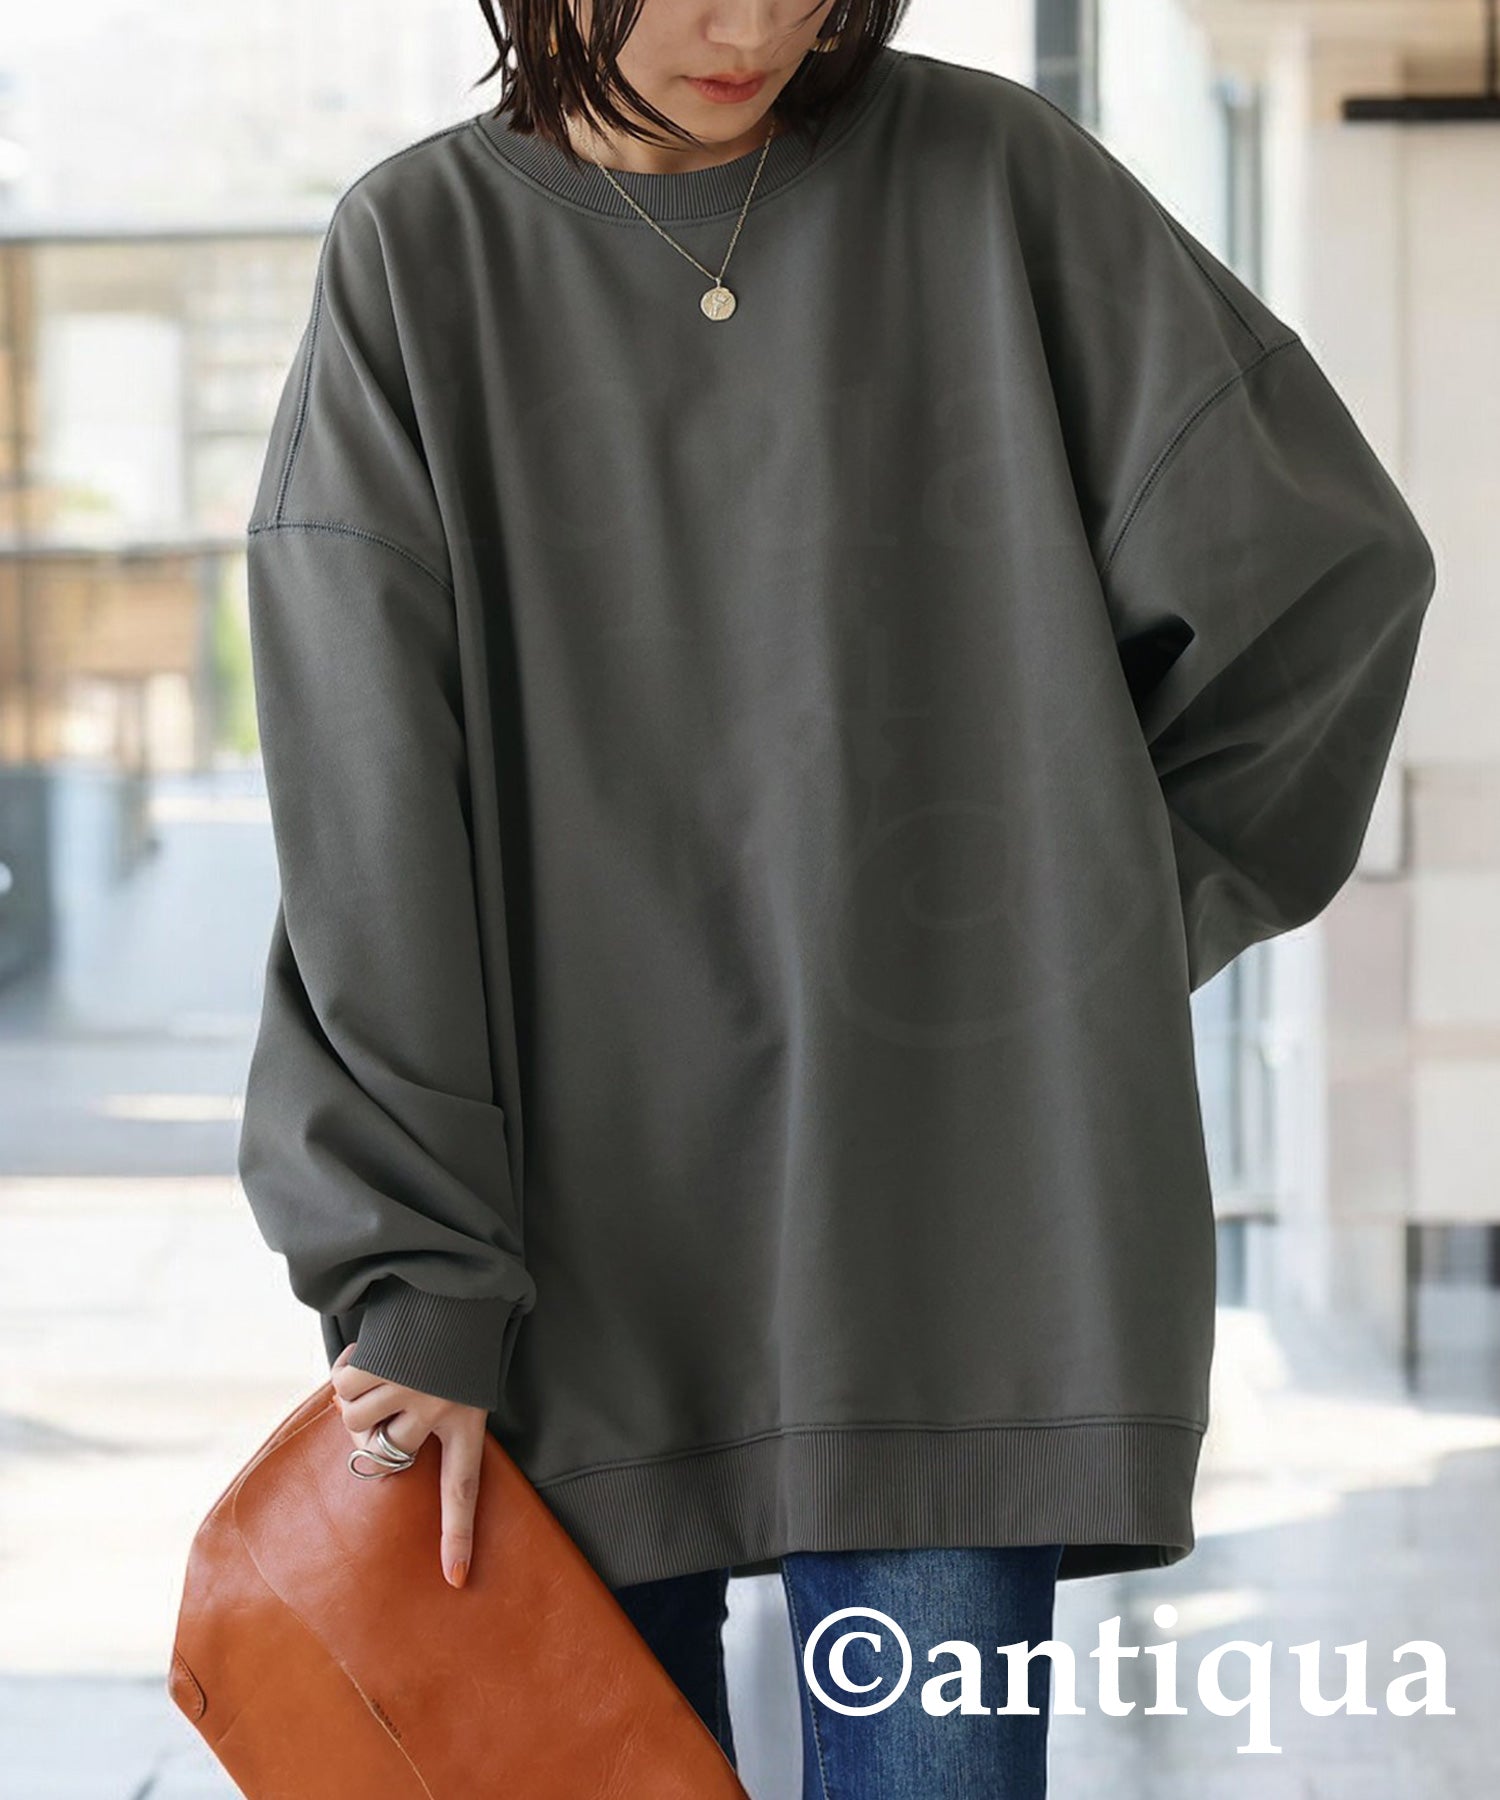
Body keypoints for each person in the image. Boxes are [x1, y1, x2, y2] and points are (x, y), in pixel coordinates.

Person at [235, 2, 1438, 1794]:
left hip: (952, 1249)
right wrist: (415, 1271)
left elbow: (1321, 582)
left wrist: (1091, 938)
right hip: (561, 1259)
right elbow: (368, 808)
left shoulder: (992, 178)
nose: (759, 26)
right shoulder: (419, 254)